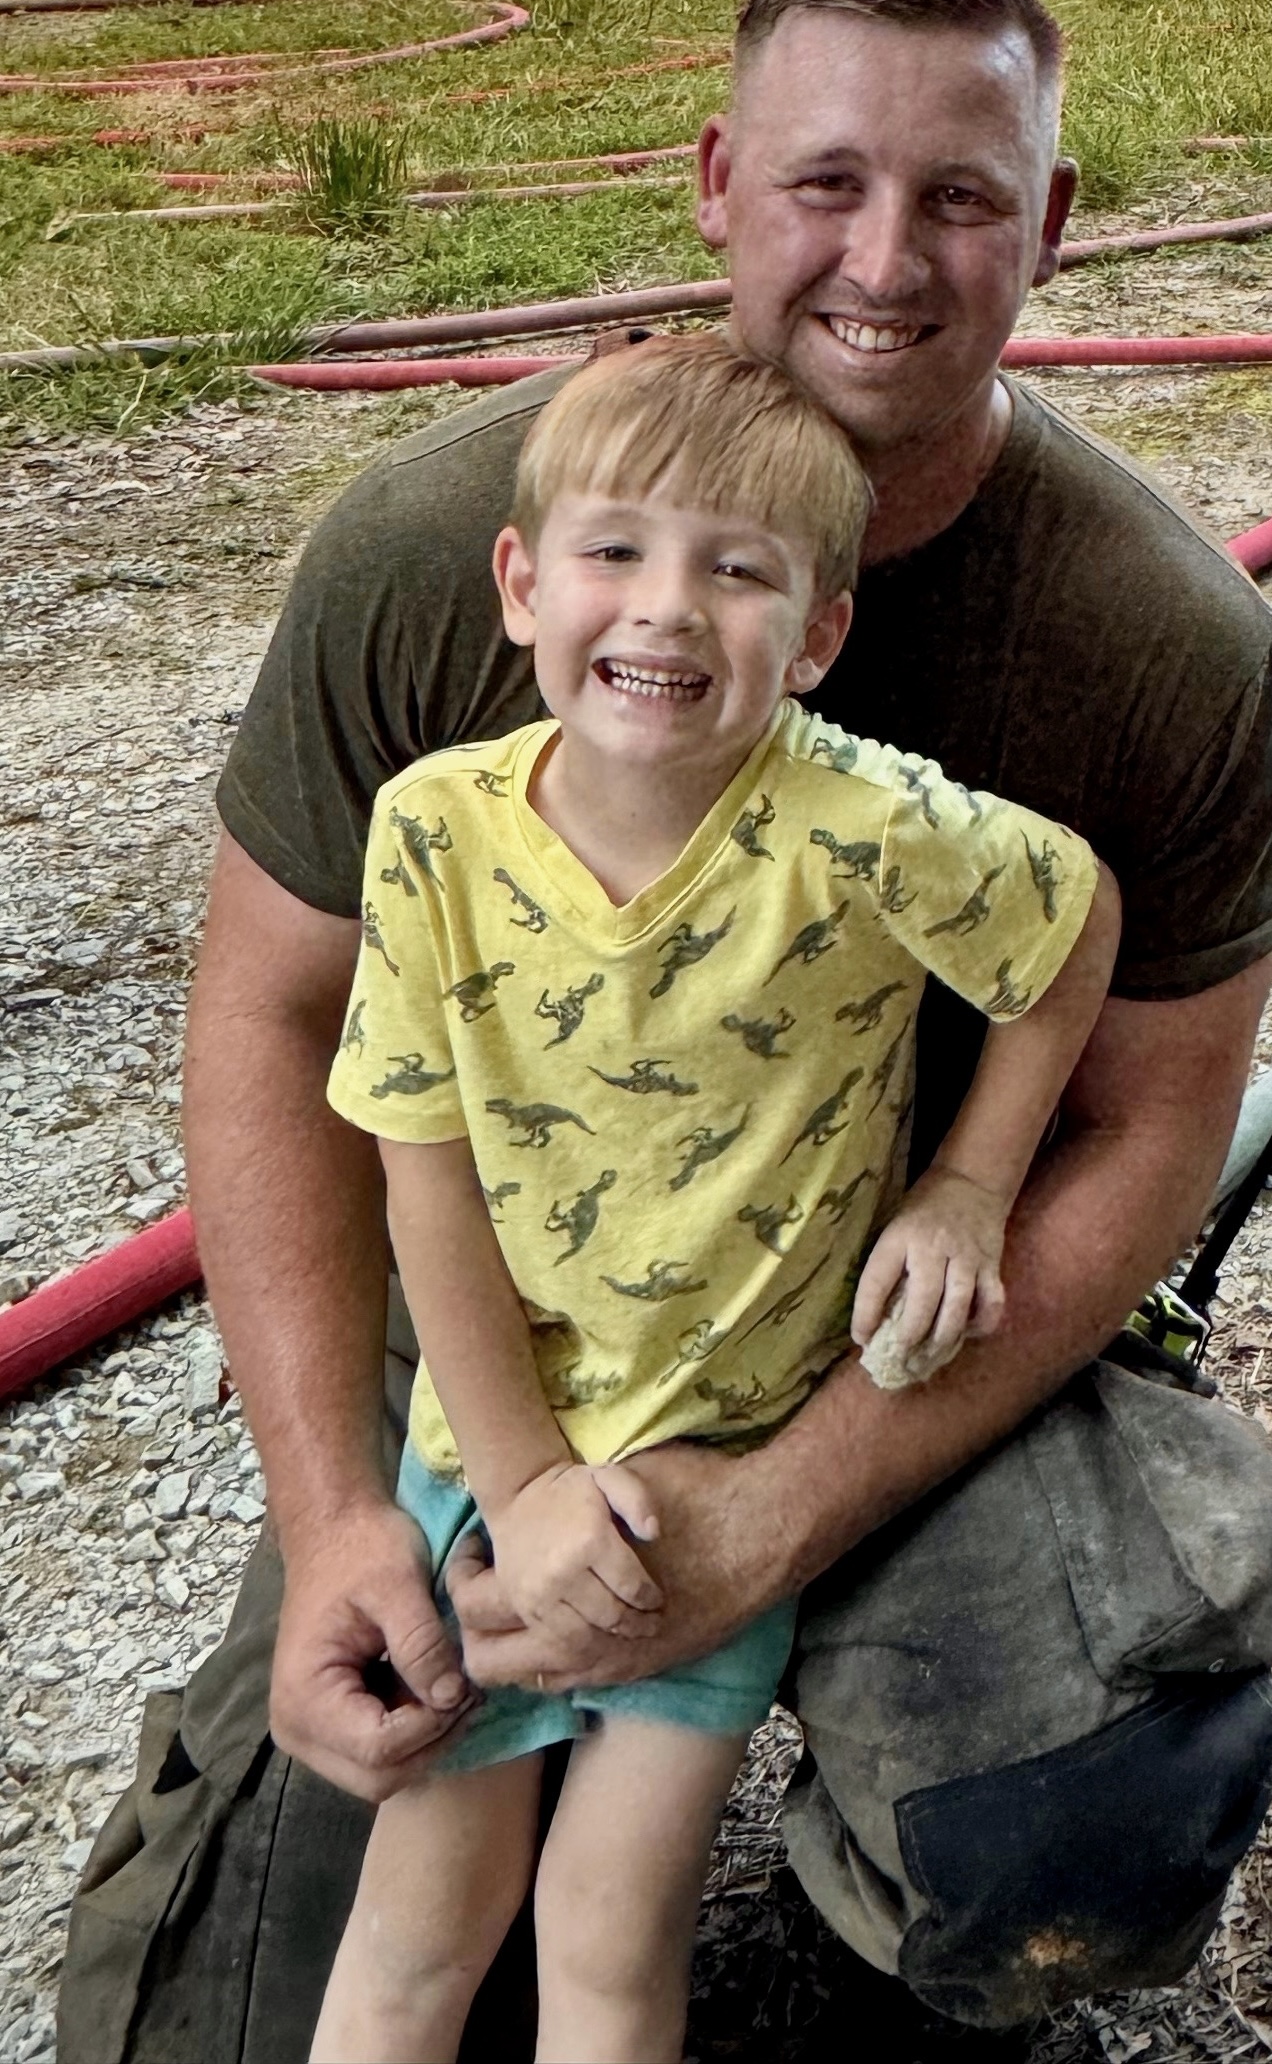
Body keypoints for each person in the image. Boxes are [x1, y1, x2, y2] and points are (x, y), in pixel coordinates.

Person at [62, 0, 1272, 2064]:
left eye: (962, 197)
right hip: (499, 1336)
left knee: (1074, 1817)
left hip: (877, 1330)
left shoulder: (1166, 642)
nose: (884, 260)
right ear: (719, 181)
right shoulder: (445, 544)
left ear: (1055, 225)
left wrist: (774, 1512)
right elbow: (275, 1027)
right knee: (258, 2017)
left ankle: (862, 1876)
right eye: (826, 182)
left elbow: (1156, 1121)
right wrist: (344, 1514)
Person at [312, 334, 1117, 2064]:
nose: (666, 609)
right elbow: (421, 1172)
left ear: (817, 632)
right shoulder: (432, 834)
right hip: (487, 1475)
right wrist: (519, 1481)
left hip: (725, 1483)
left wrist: (974, 1186)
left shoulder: (863, 824)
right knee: (413, 1935)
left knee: (611, 1947)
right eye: (614, 551)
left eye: (736, 569)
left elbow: (1071, 923)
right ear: (522, 584)